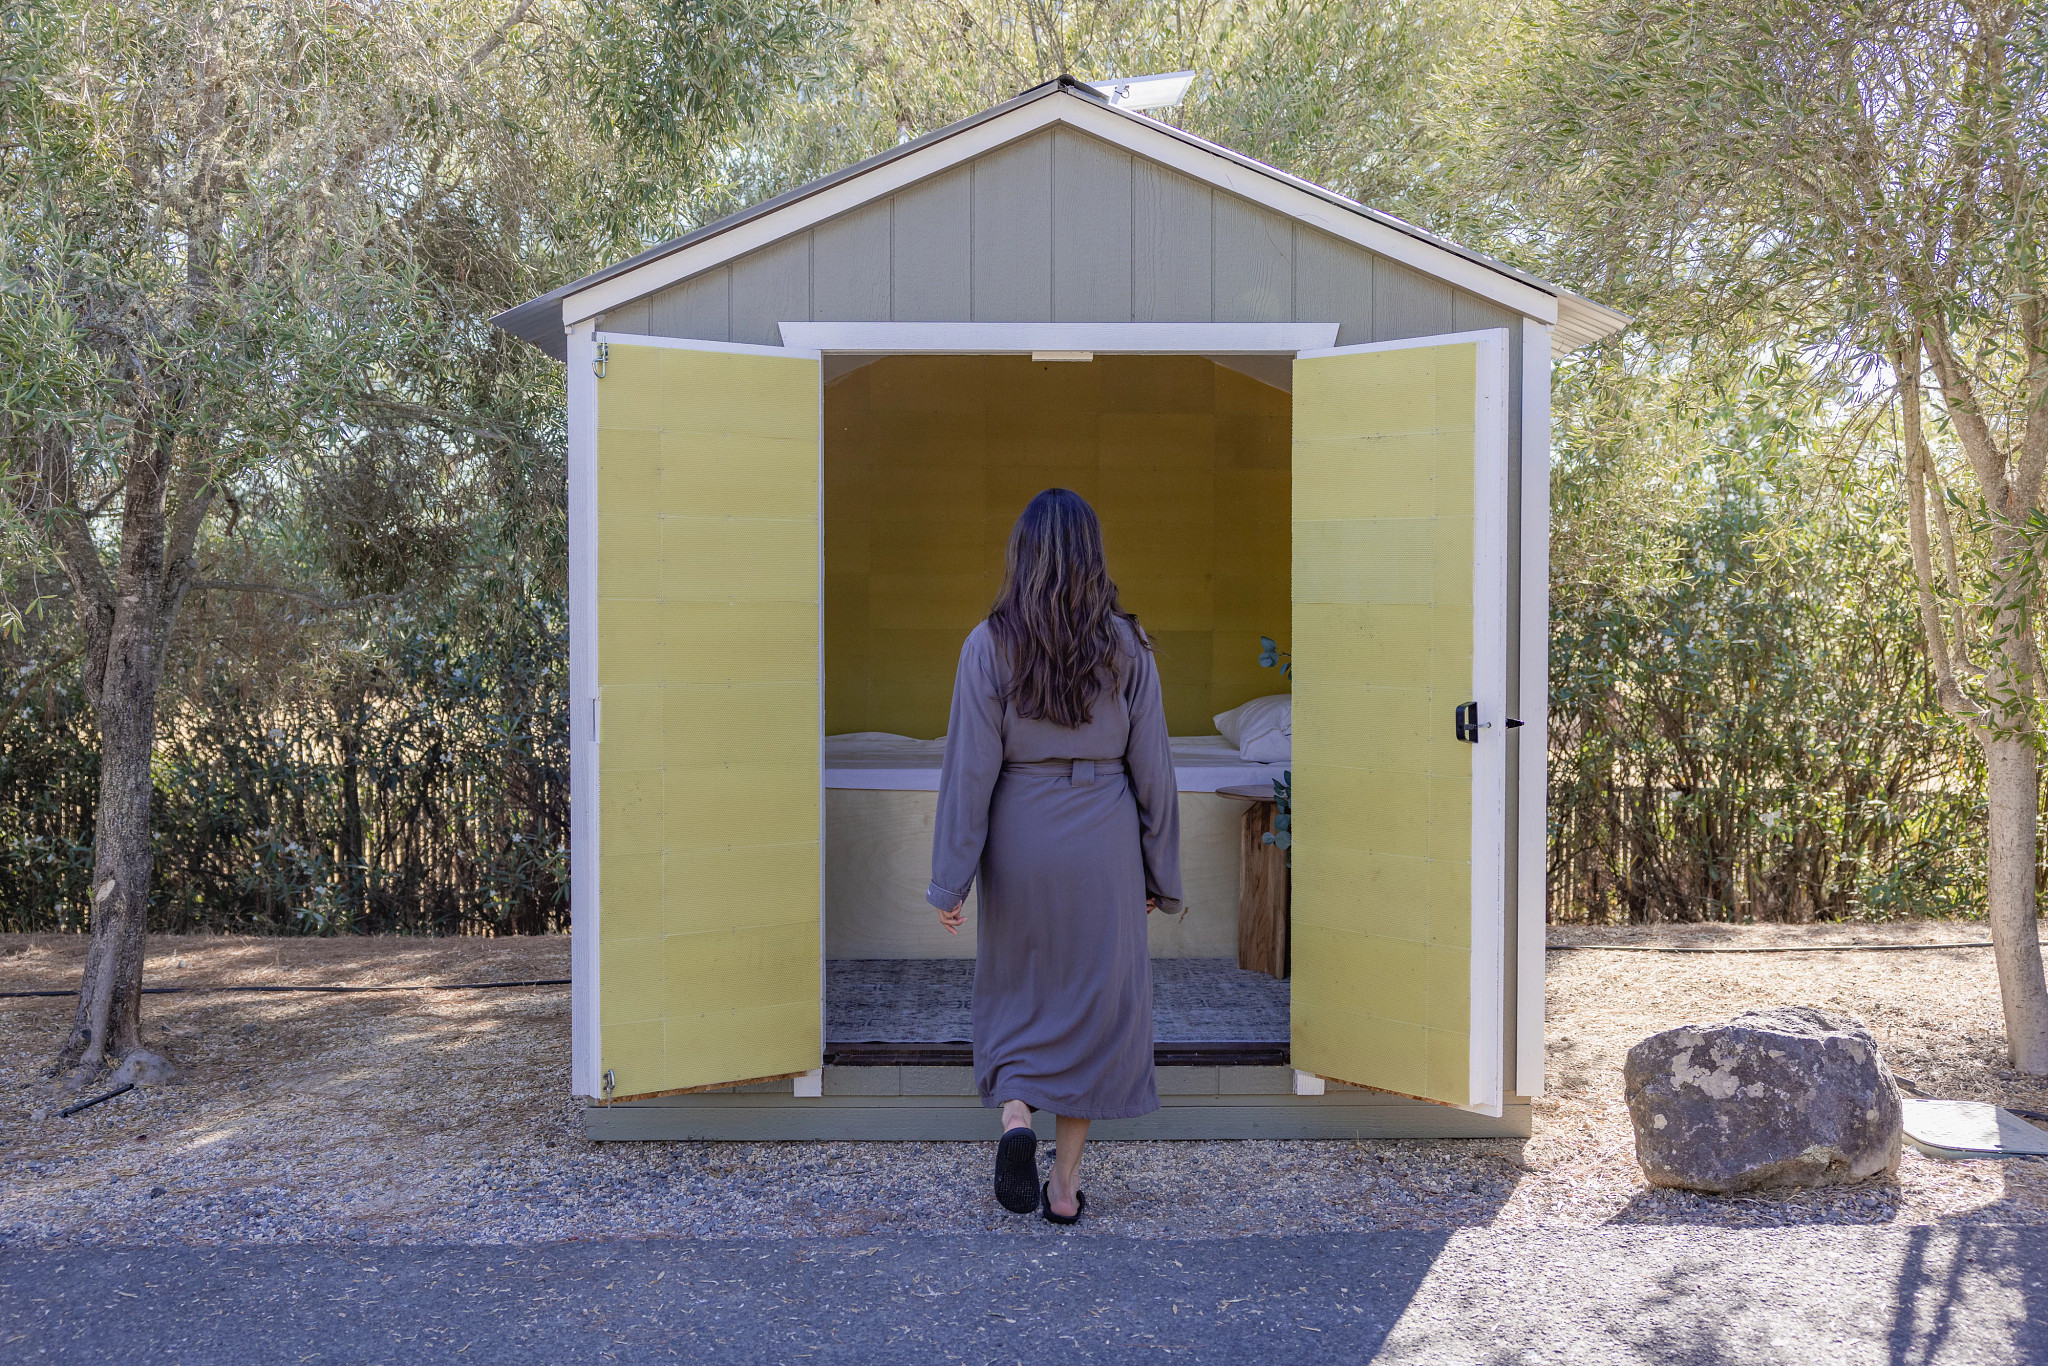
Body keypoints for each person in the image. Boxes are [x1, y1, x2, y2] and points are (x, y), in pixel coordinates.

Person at [926, 488, 1182, 1223]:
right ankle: (1064, 1190)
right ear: (1093, 557)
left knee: (1018, 989)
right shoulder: (1127, 647)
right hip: (1104, 839)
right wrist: (1161, 878)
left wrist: (952, 880)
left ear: (1023, 557)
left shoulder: (988, 644)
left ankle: (1015, 1117)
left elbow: (969, 772)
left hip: (1021, 836)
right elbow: (1155, 773)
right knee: (1096, 1009)